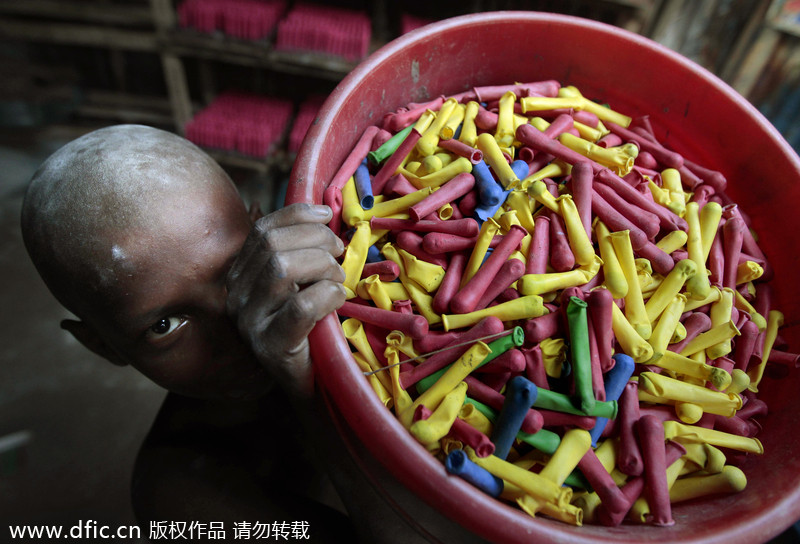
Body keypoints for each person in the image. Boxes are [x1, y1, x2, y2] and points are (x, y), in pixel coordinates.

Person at [20, 124, 355, 540]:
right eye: (164, 326)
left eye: (234, 270)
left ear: (260, 227)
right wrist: (309, 399)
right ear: (102, 346)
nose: (238, 327)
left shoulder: (340, 289)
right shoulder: (177, 497)